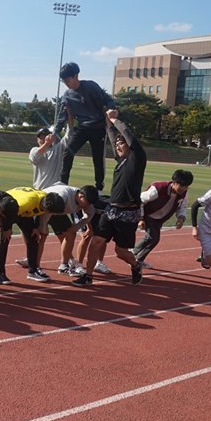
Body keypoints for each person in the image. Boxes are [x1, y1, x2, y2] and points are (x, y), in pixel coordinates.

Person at [72, 108, 146, 287]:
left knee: (120, 251)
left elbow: (128, 136)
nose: (119, 146)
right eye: (118, 145)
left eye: (123, 144)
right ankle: (88, 276)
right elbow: (114, 138)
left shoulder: (137, 159)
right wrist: (107, 123)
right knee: (96, 241)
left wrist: (115, 120)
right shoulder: (121, 161)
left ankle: (136, 265)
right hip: (111, 209)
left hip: (129, 213)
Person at [55, 62, 117, 191]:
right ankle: (62, 182)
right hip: (82, 128)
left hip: (98, 127)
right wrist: (55, 132)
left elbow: (107, 99)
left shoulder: (91, 86)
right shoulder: (67, 95)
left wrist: (112, 108)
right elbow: (62, 116)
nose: (66, 83)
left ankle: (99, 186)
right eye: (63, 80)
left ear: (76, 75)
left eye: (68, 79)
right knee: (68, 151)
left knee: (98, 157)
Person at [0, 187, 66, 283]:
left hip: (24, 213)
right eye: (52, 212)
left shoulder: (45, 200)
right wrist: (6, 228)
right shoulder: (26, 203)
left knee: (33, 238)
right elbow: (7, 213)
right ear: (47, 208)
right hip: (9, 208)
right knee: (4, 240)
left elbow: (39, 213)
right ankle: (0, 273)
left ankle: (32, 271)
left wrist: (35, 227)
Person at [133, 170, 194, 269]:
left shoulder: (184, 194)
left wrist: (181, 218)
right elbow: (140, 200)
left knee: (154, 239)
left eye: (186, 186)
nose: (183, 189)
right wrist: (141, 218)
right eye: (181, 186)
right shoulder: (158, 188)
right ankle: (133, 253)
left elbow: (182, 207)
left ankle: (138, 259)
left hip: (159, 219)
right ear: (174, 182)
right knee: (153, 237)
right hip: (148, 215)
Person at [30, 127, 69, 191]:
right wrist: (47, 143)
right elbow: (34, 158)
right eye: (41, 138)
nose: (44, 139)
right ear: (37, 139)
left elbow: (68, 136)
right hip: (39, 189)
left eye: (45, 137)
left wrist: (69, 121)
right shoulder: (34, 150)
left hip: (54, 189)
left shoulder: (58, 148)